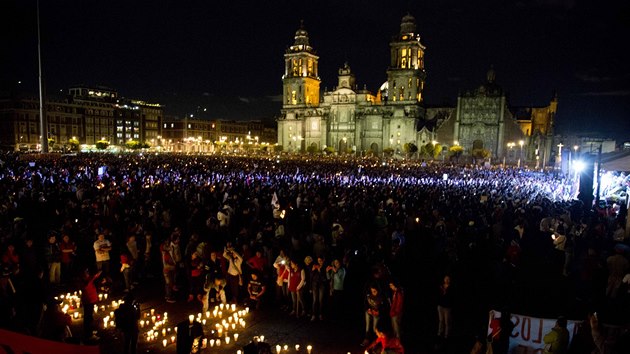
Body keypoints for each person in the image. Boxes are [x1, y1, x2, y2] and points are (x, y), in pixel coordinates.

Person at [81, 268, 102, 341]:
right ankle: (89, 334)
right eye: (86, 272)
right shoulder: (85, 282)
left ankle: (89, 332)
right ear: (84, 275)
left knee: (89, 317)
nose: (88, 273)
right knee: (88, 318)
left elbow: (93, 277)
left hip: (90, 301)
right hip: (88, 302)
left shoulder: (87, 280)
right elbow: (92, 278)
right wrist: (96, 275)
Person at [437, 275, 453, 340]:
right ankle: (439, 333)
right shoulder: (441, 287)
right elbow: (438, 295)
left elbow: (451, 297)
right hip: (440, 306)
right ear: (444, 279)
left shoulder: (451, 288)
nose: (446, 280)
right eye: (446, 278)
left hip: (447, 307)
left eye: (448, 279)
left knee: (447, 322)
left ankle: (446, 335)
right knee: (441, 320)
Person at [310, 256, 326, 321]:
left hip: (322, 285)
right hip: (315, 285)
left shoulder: (325, 267)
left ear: (323, 260)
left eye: (320, 261)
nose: (319, 262)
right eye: (318, 261)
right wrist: (313, 270)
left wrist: (320, 271)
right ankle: (313, 315)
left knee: (321, 300)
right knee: (314, 300)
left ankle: (320, 314)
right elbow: (311, 277)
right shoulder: (315, 266)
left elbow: (325, 279)